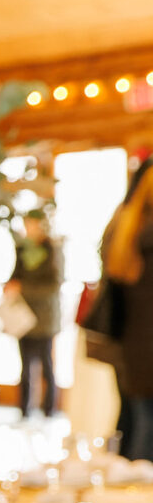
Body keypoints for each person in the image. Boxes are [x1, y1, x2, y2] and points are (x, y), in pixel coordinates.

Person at [101, 166, 153, 459]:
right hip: (143, 345)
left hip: (131, 347)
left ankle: (131, 496)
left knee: (139, 422)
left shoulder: (127, 230)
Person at [8, 209, 62, 417]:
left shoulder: (52, 250)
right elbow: (15, 276)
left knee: (46, 364)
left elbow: (52, 286)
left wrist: (24, 288)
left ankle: (50, 409)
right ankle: (24, 409)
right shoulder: (22, 249)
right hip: (23, 315)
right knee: (25, 366)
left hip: (45, 317)